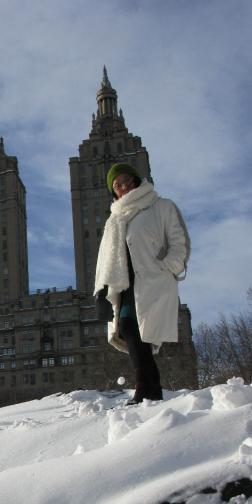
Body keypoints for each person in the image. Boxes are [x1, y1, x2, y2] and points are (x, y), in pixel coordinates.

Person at [93, 163, 190, 404]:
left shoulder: (160, 206)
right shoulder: (114, 220)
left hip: (152, 280)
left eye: (127, 181)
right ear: (114, 192)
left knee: (132, 328)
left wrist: (167, 268)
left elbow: (180, 242)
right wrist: (100, 294)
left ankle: (144, 390)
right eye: (117, 185)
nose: (123, 187)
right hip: (124, 287)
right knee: (130, 330)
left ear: (136, 181)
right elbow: (105, 260)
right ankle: (151, 391)